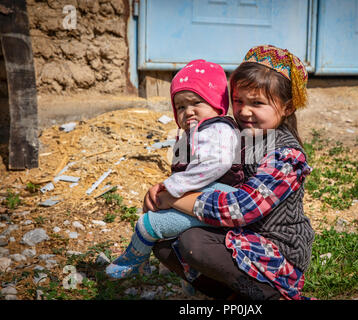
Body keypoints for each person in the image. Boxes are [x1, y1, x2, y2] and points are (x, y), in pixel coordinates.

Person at [149, 45, 315, 300]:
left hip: (276, 250)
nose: (245, 111)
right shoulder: (229, 135)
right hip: (240, 235)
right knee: (163, 243)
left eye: (257, 103)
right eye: (238, 101)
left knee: (194, 243)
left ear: (288, 107)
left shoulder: (286, 156)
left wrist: (173, 198)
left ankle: (272, 296)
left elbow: (241, 209)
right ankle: (234, 297)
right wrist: (163, 189)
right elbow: (200, 174)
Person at [105, 59, 244, 279]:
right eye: (180, 106)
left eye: (196, 102)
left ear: (217, 103)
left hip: (222, 199)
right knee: (177, 235)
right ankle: (195, 277)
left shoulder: (216, 128)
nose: (188, 111)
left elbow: (216, 163)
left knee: (150, 225)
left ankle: (133, 261)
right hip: (206, 198)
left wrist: (172, 187)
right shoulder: (196, 132)